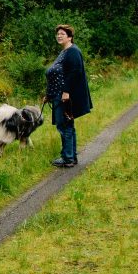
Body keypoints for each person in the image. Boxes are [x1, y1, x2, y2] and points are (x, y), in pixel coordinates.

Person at [44, 24, 92, 168]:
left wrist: (66, 92)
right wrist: (48, 95)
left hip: (64, 96)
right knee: (66, 125)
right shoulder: (64, 52)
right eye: (58, 34)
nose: (59, 36)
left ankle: (68, 158)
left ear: (69, 37)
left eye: (62, 34)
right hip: (57, 95)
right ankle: (70, 157)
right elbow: (57, 74)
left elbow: (75, 72)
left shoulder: (72, 51)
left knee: (64, 125)